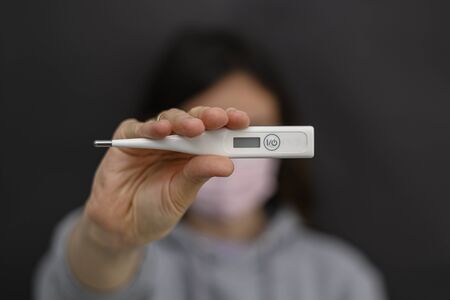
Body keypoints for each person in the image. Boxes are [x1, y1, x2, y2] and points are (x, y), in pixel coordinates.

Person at [34, 30, 386, 300]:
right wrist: (109, 242)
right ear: (167, 135)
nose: (230, 153)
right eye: (209, 133)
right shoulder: (133, 261)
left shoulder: (340, 279)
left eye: (257, 129)